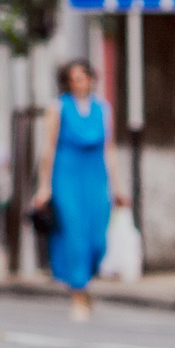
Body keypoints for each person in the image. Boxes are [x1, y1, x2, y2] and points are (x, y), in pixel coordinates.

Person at [30, 60, 122, 320]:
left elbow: (110, 148)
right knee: (74, 233)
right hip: (66, 176)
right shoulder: (58, 107)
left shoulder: (103, 108)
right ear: (67, 82)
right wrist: (44, 186)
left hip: (95, 176)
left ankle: (85, 280)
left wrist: (119, 186)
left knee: (98, 237)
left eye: (83, 77)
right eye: (74, 79)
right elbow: (48, 148)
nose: (80, 83)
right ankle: (78, 293)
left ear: (92, 79)